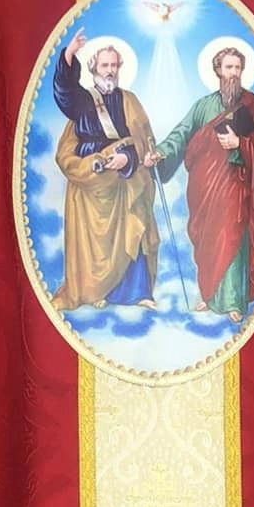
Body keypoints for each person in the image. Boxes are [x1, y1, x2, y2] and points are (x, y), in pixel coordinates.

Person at [147, 45, 254, 320]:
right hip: (205, 189)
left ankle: (233, 302)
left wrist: (240, 143)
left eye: (238, 68)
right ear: (218, 70)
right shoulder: (203, 106)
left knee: (232, 235)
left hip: (237, 185)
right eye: (229, 67)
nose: (234, 73)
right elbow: (182, 133)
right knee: (208, 242)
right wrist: (162, 152)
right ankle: (209, 296)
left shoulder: (252, 105)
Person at [51, 32, 160, 310]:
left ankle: (138, 292)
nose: (110, 71)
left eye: (114, 65)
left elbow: (144, 139)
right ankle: (94, 291)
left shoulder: (130, 100)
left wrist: (128, 158)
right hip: (93, 180)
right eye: (104, 65)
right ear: (94, 68)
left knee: (134, 226)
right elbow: (64, 94)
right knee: (95, 243)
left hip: (126, 178)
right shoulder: (82, 100)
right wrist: (68, 55)